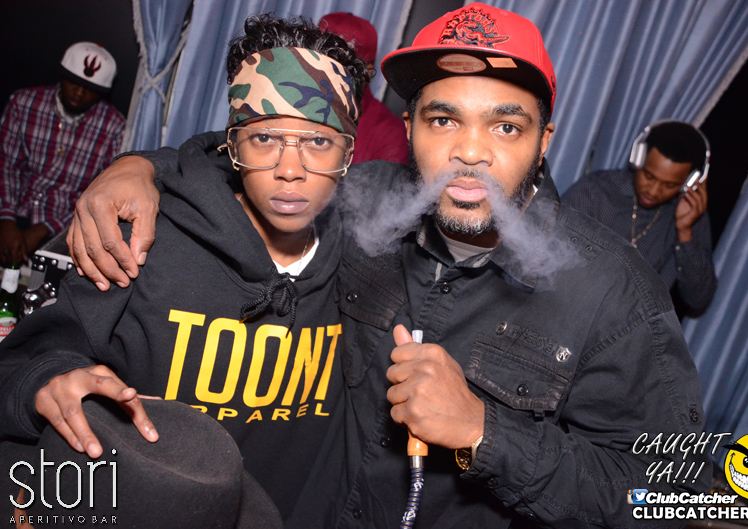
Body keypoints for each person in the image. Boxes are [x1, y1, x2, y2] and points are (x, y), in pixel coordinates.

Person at [61, 3, 710, 527]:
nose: (470, 152)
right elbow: (271, 153)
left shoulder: (613, 293)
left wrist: (485, 432)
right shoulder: (363, 202)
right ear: (408, 128)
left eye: (505, 127)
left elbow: (667, 494)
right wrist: (141, 166)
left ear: (545, 140)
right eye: (444, 119)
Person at [0, 14, 368, 528]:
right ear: (233, 144)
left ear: (349, 151)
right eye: (264, 138)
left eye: (319, 142)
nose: (290, 169)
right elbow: (20, 365)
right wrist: (48, 380)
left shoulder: (367, 257)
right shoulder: (144, 239)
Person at [562, 120, 717, 314]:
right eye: (649, 176)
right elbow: (548, 249)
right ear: (638, 159)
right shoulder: (596, 192)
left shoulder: (690, 216)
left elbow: (699, 299)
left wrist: (685, 233)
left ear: (689, 183)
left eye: (670, 185)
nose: (653, 191)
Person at [0, 42, 125, 266]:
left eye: (90, 88)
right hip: (11, 209)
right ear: (62, 76)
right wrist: (7, 220)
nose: (79, 92)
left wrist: (45, 229)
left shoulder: (115, 128)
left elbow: (98, 193)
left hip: (65, 227)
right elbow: (6, 165)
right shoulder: (24, 103)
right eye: (73, 82)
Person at [319, 12, 409, 165]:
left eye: (343, 67)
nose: (328, 75)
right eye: (320, 63)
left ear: (368, 70)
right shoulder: (290, 101)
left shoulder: (390, 134)